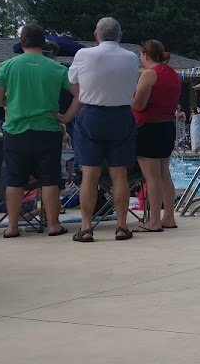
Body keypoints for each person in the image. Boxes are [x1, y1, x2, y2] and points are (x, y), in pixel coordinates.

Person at [0, 24, 75, 238]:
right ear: (43, 42)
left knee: (14, 179)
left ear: (22, 42)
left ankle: (12, 227)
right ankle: (53, 225)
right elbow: (80, 93)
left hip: (16, 130)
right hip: (47, 130)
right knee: (50, 179)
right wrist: (66, 117)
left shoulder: (7, 66)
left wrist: (11, 102)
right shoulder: (56, 68)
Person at [60, 16, 141, 242]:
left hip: (91, 115)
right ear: (120, 36)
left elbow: (72, 81)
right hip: (121, 115)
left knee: (90, 174)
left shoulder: (83, 54)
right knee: (119, 173)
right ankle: (122, 226)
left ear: (96, 35)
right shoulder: (131, 57)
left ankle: (86, 227)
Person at [130, 39, 182, 233]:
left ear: (145, 55)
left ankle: (154, 221)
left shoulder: (149, 74)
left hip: (149, 128)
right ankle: (169, 217)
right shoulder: (173, 74)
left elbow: (139, 105)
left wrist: (127, 99)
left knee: (151, 177)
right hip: (167, 127)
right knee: (164, 173)